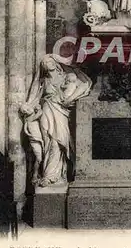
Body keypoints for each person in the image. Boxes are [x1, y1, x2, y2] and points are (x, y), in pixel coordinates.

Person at [20, 54, 92, 187]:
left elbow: (84, 84)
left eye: (51, 61)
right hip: (47, 111)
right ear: (44, 67)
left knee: (60, 141)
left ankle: (59, 174)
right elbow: (32, 99)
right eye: (46, 62)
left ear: (56, 63)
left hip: (62, 112)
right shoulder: (42, 81)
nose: (50, 63)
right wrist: (27, 107)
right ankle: (49, 175)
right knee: (50, 141)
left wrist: (70, 99)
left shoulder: (67, 76)